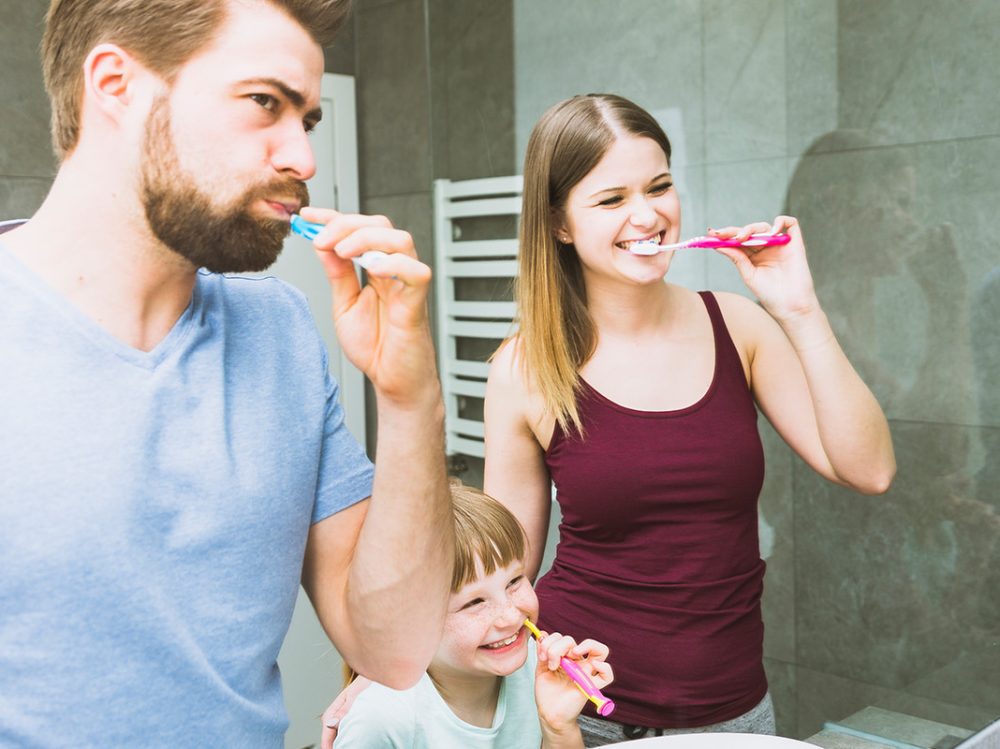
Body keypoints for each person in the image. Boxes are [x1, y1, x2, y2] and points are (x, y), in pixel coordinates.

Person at [0, 1, 453, 746]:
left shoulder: (278, 333)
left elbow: (394, 650)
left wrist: (410, 400)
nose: (302, 160)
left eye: (304, 121)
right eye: (264, 103)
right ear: (116, 85)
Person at [483, 94, 896, 745]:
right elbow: (499, 570)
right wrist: (398, 673)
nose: (647, 214)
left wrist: (801, 309)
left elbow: (869, 469)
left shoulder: (740, 326)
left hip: (732, 709)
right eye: (611, 198)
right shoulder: (523, 369)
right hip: (578, 709)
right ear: (560, 223)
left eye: (660, 186)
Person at [327, 481, 613, 749]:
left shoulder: (533, 674)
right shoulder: (383, 718)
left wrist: (558, 727)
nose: (511, 617)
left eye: (514, 582)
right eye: (475, 602)